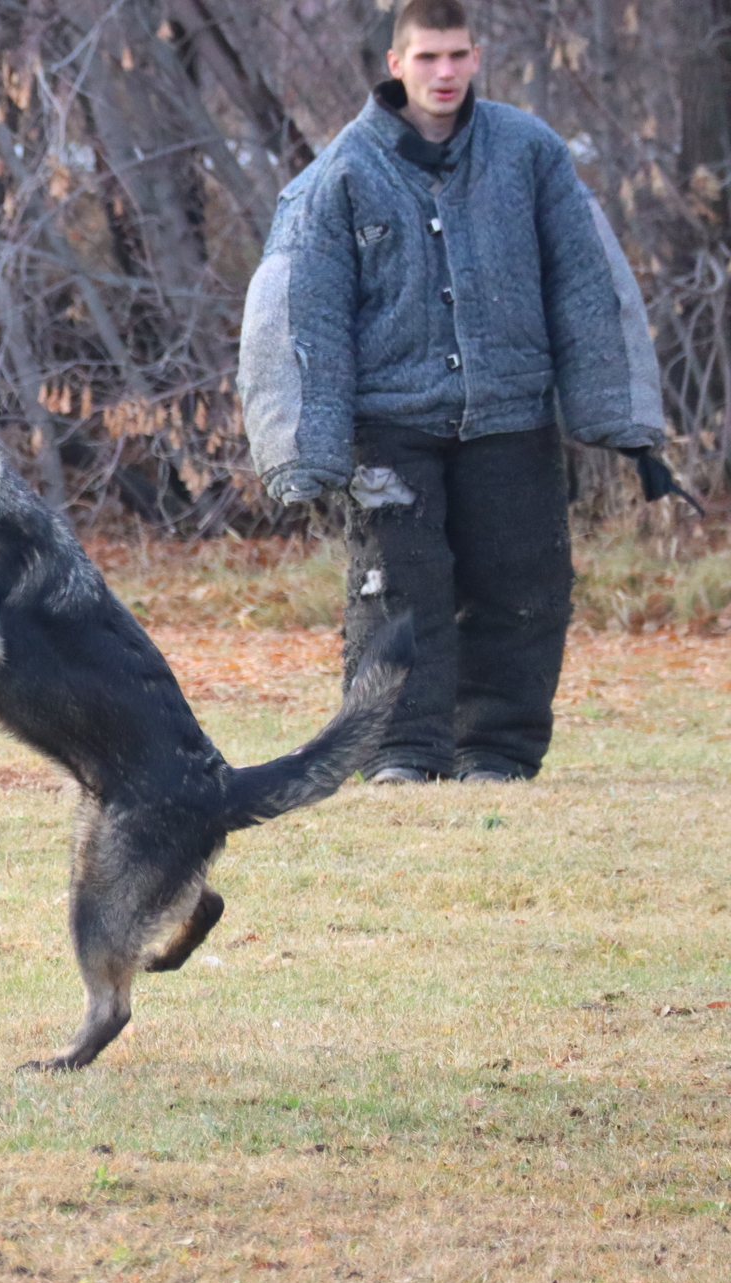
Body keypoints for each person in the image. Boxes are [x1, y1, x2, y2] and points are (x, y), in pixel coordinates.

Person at [238, 0, 670, 784]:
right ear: (396, 63)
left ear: (476, 58)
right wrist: (305, 448)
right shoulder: (340, 172)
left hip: (511, 413)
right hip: (390, 427)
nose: (445, 73)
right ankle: (400, 751)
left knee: (524, 591)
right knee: (399, 595)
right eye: (428, 57)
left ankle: (497, 753)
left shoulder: (530, 153)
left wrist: (620, 414)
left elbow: (587, 281)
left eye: (458, 55)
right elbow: (300, 313)